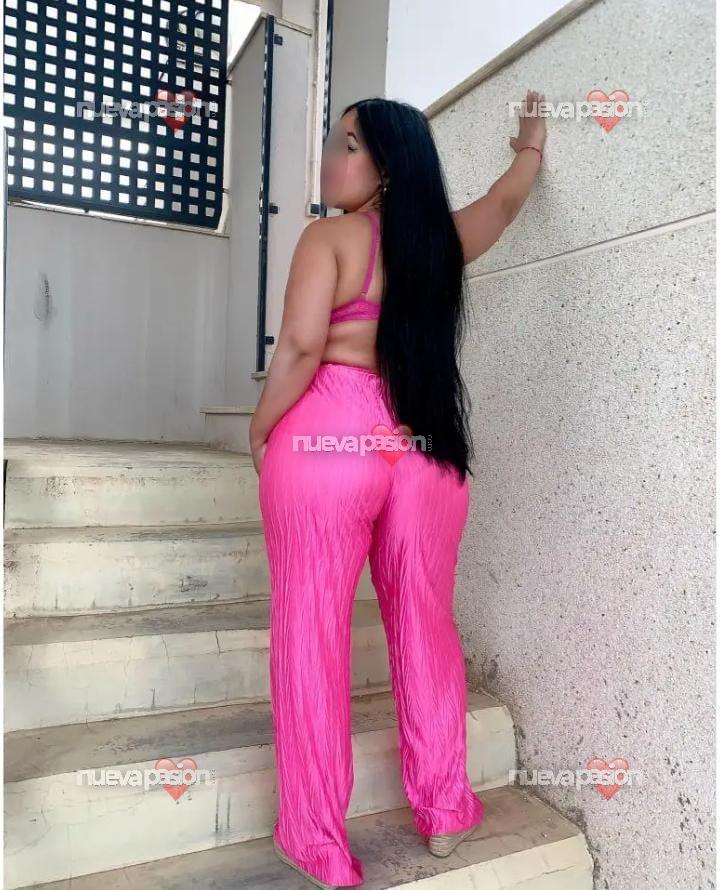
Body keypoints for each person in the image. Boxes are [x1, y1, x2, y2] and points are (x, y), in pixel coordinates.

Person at [249, 92, 546, 889]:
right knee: (425, 623)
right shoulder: (438, 242)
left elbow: (301, 346)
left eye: (346, 144)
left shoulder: (328, 237)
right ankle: (445, 809)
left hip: (328, 435)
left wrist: (260, 429)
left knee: (311, 630)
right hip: (421, 444)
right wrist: (530, 148)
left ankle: (319, 842)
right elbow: (505, 204)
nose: (330, 158)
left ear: (385, 166)